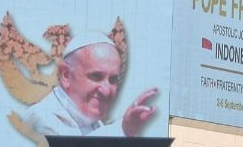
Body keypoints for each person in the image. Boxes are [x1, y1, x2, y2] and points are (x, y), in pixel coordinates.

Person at [21, 33, 158, 138]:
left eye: (113, 79)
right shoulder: (39, 118)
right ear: (66, 75)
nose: (106, 90)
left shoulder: (92, 122)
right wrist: (123, 129)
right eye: (96, 76)